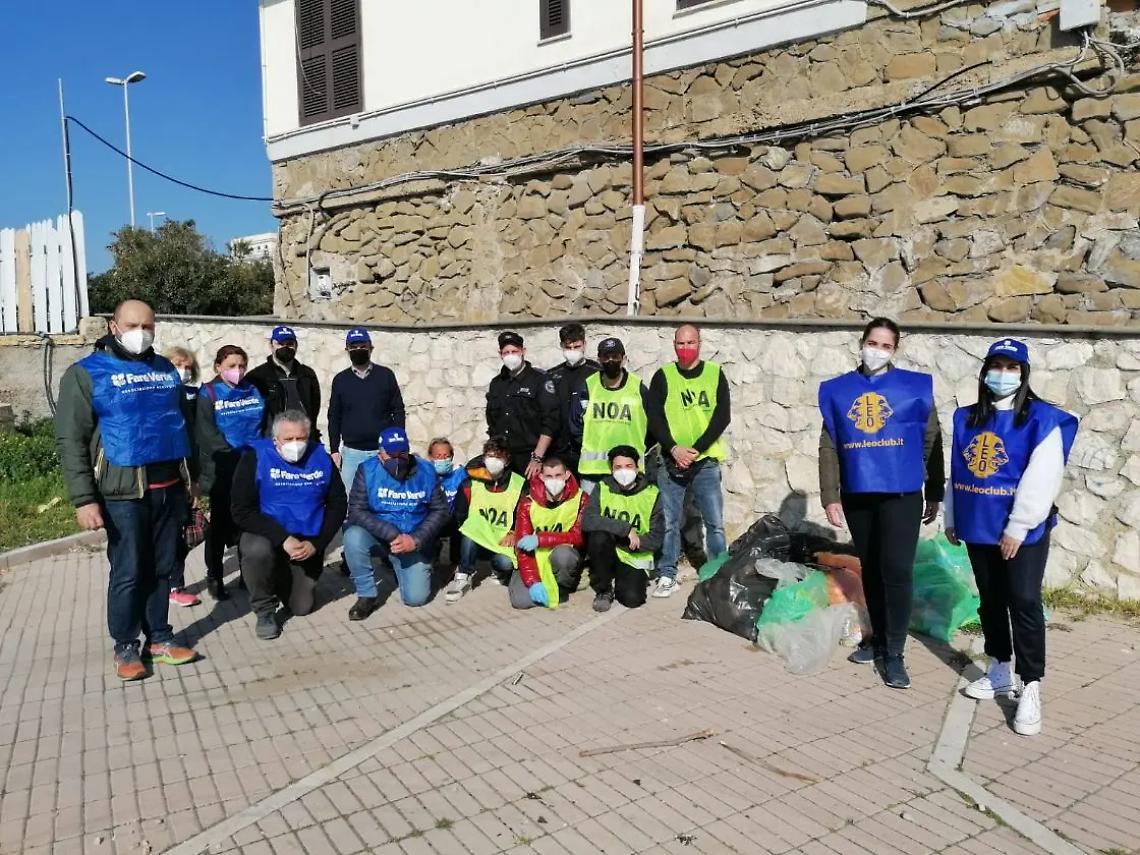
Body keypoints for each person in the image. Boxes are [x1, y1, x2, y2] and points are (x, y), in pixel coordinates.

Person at [54, 299, 198, 681]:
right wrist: (84, 499)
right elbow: (71, 439)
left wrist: (191, 480)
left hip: (168, 486)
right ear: (113, 325)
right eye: (133, 325)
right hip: (122, 493)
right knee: (130, 569)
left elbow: (180, 425)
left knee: (164, 568)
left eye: (148, 326)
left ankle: (160, 639)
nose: (141, 333)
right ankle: (125, 646)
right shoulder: (86, 374)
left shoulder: (165, 368)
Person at [946, 338, 1078, 736]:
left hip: (1021, 530)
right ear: (984, 371)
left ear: (1023, 374)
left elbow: (1043, 479)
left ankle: (1031, 684)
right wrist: (953, 516)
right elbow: (958, 470)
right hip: (977, 523)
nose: (1002, 374)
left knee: (1022, 600)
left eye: (1011, 368)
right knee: (990, 600)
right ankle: (999, 666)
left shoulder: (1041, 420)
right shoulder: (966, 417)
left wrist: (1018, 527)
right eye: (996, 366)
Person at [818, 317, 943, 690]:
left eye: (887, 345)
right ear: (862, 343)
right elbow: (830, 444)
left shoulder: (913, 389)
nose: (878, 350)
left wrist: (933, 488)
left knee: (896, 571)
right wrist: (830, 495)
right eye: (873, 343)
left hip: (901, 495)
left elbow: (932, 438)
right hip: (859, 495)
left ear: (895, 350)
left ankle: (895, 652)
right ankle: (877, 639)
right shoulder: (840, 391)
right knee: (871, 568)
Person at [231, 410, 347, 640]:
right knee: (256, 552)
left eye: (301, 438)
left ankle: (281, 578)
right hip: (267, 534)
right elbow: (241, 510)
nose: (295, 444)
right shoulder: (254, 457)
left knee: (301, 607)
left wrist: (317, 543)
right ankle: (264, 609)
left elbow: (337, 505)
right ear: (275, 440)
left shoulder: (321, 458)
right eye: (288, 439)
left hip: (307, 540)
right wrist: (283, 538)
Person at [646, 323, 730, 598]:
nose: (685, 349)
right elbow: (655, 418)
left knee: (714, 523)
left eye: (690, 343)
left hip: (705, 462)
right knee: (669, 522)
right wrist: (673, 448)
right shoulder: (663, 376)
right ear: (674, 345)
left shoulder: (716, 374)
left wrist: (695, 449)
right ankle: (667, 574)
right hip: (670, 462)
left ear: (700, 343)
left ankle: (718, 575)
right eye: (680, 344)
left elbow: (722, 417)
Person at [342, 427, 448, 620]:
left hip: (412, 539)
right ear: (380, 453)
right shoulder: (366, 470)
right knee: (352, 535)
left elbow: (440, 510)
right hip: (381, 535)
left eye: (402, 453)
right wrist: (391, 533)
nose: (397, 458)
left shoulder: (426, 470)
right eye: (391, 454)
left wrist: (416, 540)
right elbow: (356, 510)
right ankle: (367, 595)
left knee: (416, 598)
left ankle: (420, 559)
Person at [197, 345, 267, 601]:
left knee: (246, 523)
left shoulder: (254, 389)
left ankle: (246, 574)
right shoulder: (209, 394)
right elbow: (207, 434)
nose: (237, 371)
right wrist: (234, 457)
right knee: (220, 527)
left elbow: (265, 425)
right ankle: (214, 576)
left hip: (254, 467)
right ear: (218, 367)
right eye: (231, 366)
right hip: (224, 470)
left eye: (241, 366)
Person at [582, 445, 665, 612]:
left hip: (634, 554)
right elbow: (588, 520)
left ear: (637, 467)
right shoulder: (602, 487)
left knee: (632, 600)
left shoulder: (652, 493)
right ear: (611, 469)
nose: (623, 471)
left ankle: (621, 578)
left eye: (628, 466)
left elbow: (656, 537)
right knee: (598, 538)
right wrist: (625, 530)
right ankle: (604, 589)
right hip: (607, 550)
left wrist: (628, 542)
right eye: (618, 467)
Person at [328, 327, 406, 493]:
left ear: (371, 348)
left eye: (362, 346)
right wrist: (334, 450)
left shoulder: (386, 376)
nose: (358, 350)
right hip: (351, 454)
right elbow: (334, 416)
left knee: (386, 495)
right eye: (353, 347)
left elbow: (398, 410)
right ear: (347, 350)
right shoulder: (340, 380)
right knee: (348, 499)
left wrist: (398, 444)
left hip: (383, 452)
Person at [571, 337, 652, 494]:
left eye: (615, 357)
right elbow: (575, 424)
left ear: (623, 358)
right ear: (599, 359)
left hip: (629, 470)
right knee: (591, 517)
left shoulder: (638, 388)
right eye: (606, 357)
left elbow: (653, 426)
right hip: (593, 472)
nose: (611, 361)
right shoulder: (588, 386)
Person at [449, 438, 525, 603]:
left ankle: (498, 571)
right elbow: (460, 514)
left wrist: (514, 532)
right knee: (469, 529)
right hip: (477, 537)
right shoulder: (471, 481)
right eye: (489, 456)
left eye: (498, 457)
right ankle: (463, 574)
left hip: (502, 540)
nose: (493, 461)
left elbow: (525, 516)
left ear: (507, 460)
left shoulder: (519, 484)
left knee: (506, 563)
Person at [512, 456, 587, 610]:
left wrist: (541, 539)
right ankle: (525, 580)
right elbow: (522, 547)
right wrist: (533, 581)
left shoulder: (581, 498)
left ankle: (564, 586)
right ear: (541, 477)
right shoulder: (527, 503)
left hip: (561, 554)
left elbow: (579, 536)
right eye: (549, 476)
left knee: (564, 556)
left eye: (558, 475)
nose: (554, 480)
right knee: (521, 601)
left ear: (567, 475)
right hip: (534, 558)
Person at [485, 331, 560, 478]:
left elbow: (551, 422)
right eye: (506, 352)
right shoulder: (496, 384)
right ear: (500, 354)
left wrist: (537, 458)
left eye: (514, 351)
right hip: (503, 458)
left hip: (531, 458)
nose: (510, 355)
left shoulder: (539, 380)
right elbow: (492, 423)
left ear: (523, 351)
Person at [165, 346, 203, 608]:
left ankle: (173, 583)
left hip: (185, 474)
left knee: (181, 532)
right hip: (162, 474)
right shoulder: (159, 396)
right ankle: (168, 584)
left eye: (188, 366)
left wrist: (195, 482)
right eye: (179, 364)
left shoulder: (196, 396)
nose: (184, 370)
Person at [246, 325, 322, 439]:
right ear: (271, 345)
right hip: (272, 441)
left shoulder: (307, 374)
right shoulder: (257, 376)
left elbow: (314, 407)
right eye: (280, 344)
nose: (285, 347)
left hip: (304, 439)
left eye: (289, 344)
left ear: (296, 346)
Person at [546, 323, 599, 478]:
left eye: (577, 346)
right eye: (568, 347)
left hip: (588, 447)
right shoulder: (553, 375)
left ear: (584, 344)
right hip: (559, 448)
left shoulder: (597, 373)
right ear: (562, 346)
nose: (573, 351)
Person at [428, 437, 468, 576]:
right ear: (430, 457)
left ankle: (454, 564)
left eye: (446, 456)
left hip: (454, 520)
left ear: (451, 456)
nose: (442, 459)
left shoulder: (459, 474)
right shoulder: (425, 475)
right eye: (438, 456)